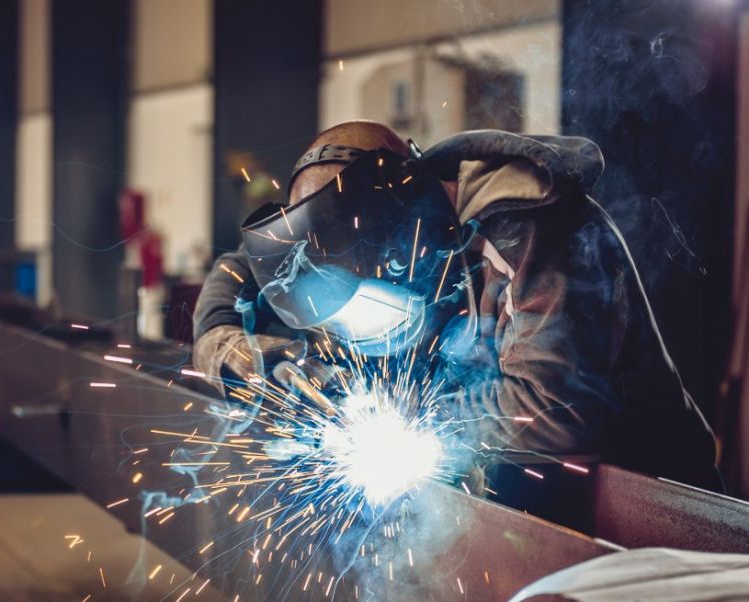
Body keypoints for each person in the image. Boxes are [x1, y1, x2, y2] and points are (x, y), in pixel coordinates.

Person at [192, 121, 720, 490]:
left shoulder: (530, 226)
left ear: (401, 227)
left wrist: (400, 420)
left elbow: (553, 409)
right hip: (527, 497)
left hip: (652, 513)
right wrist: (223, 339)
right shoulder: (376, 233)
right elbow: (240, 268)